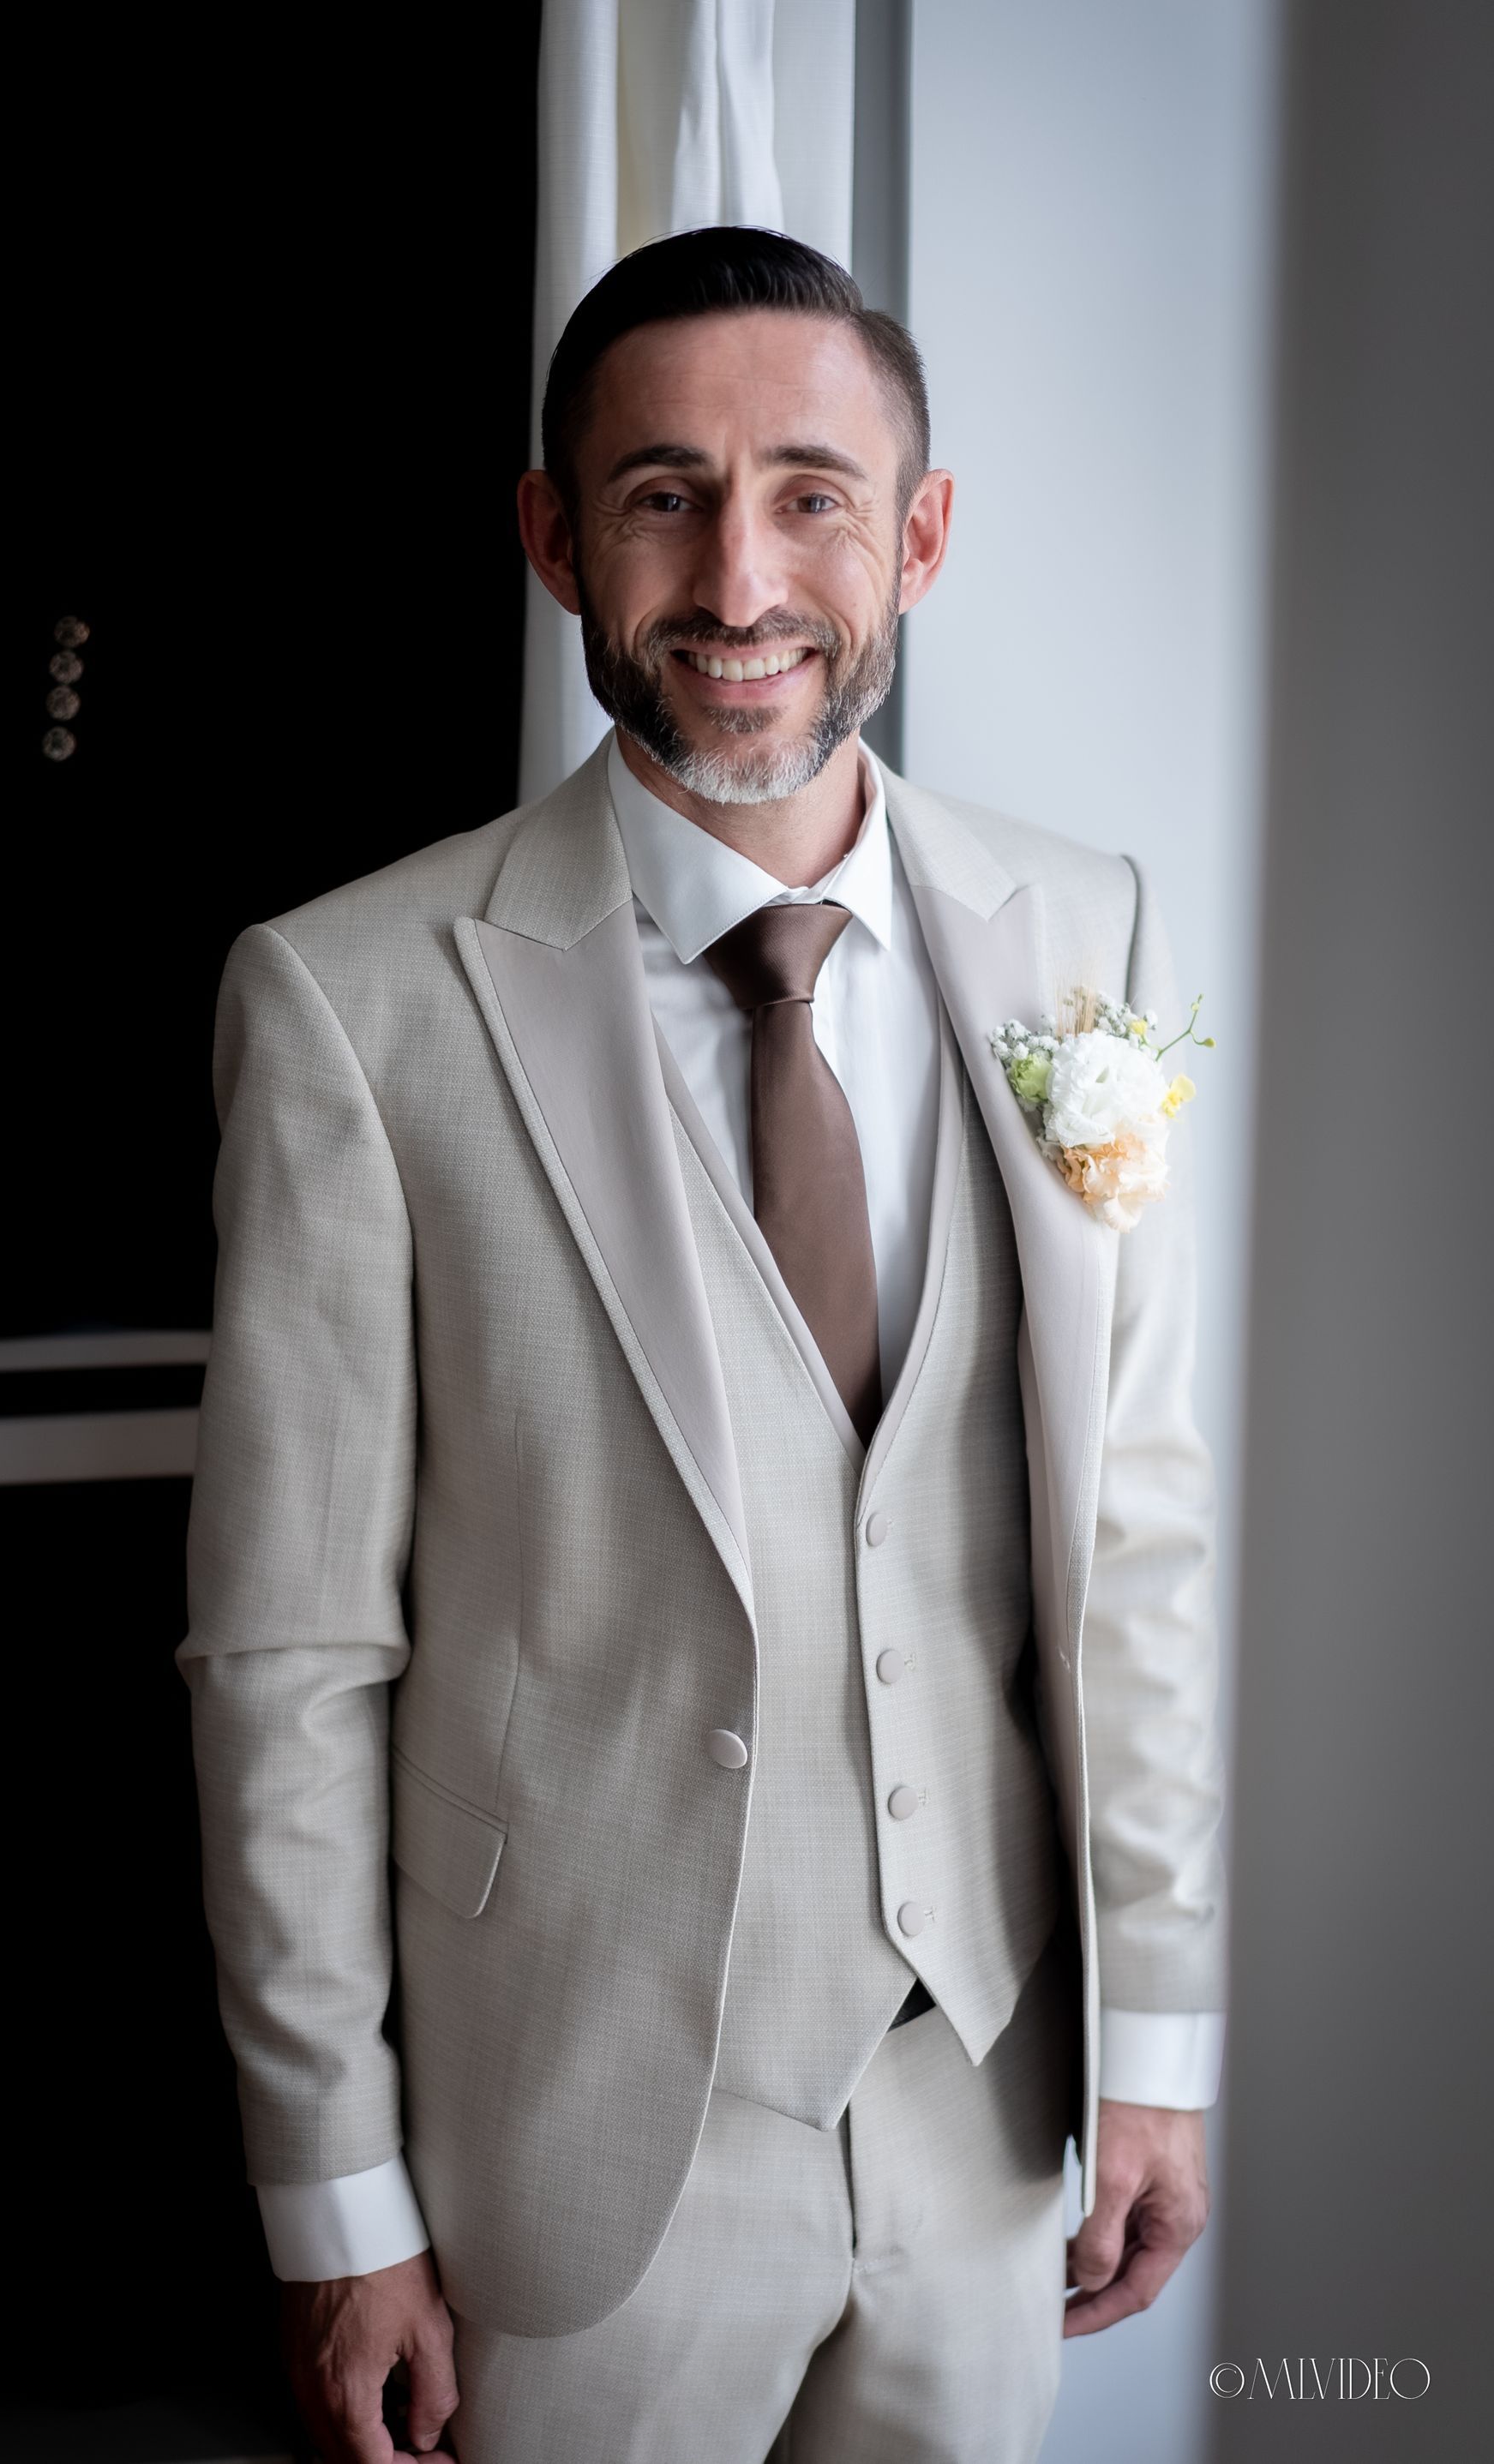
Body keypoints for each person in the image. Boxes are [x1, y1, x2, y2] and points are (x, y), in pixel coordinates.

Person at [178, 227, 1227, 2464]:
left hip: (983, 2109)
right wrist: (334, 2199)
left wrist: (1159, 2038)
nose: (740, 580)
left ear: (918, 537)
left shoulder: (1082, 937)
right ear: (554, 536)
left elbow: (1135, 1538)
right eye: (662, 494)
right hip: (566, 2139)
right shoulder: (352, 999)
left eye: (811, 495)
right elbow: (291, 1656)